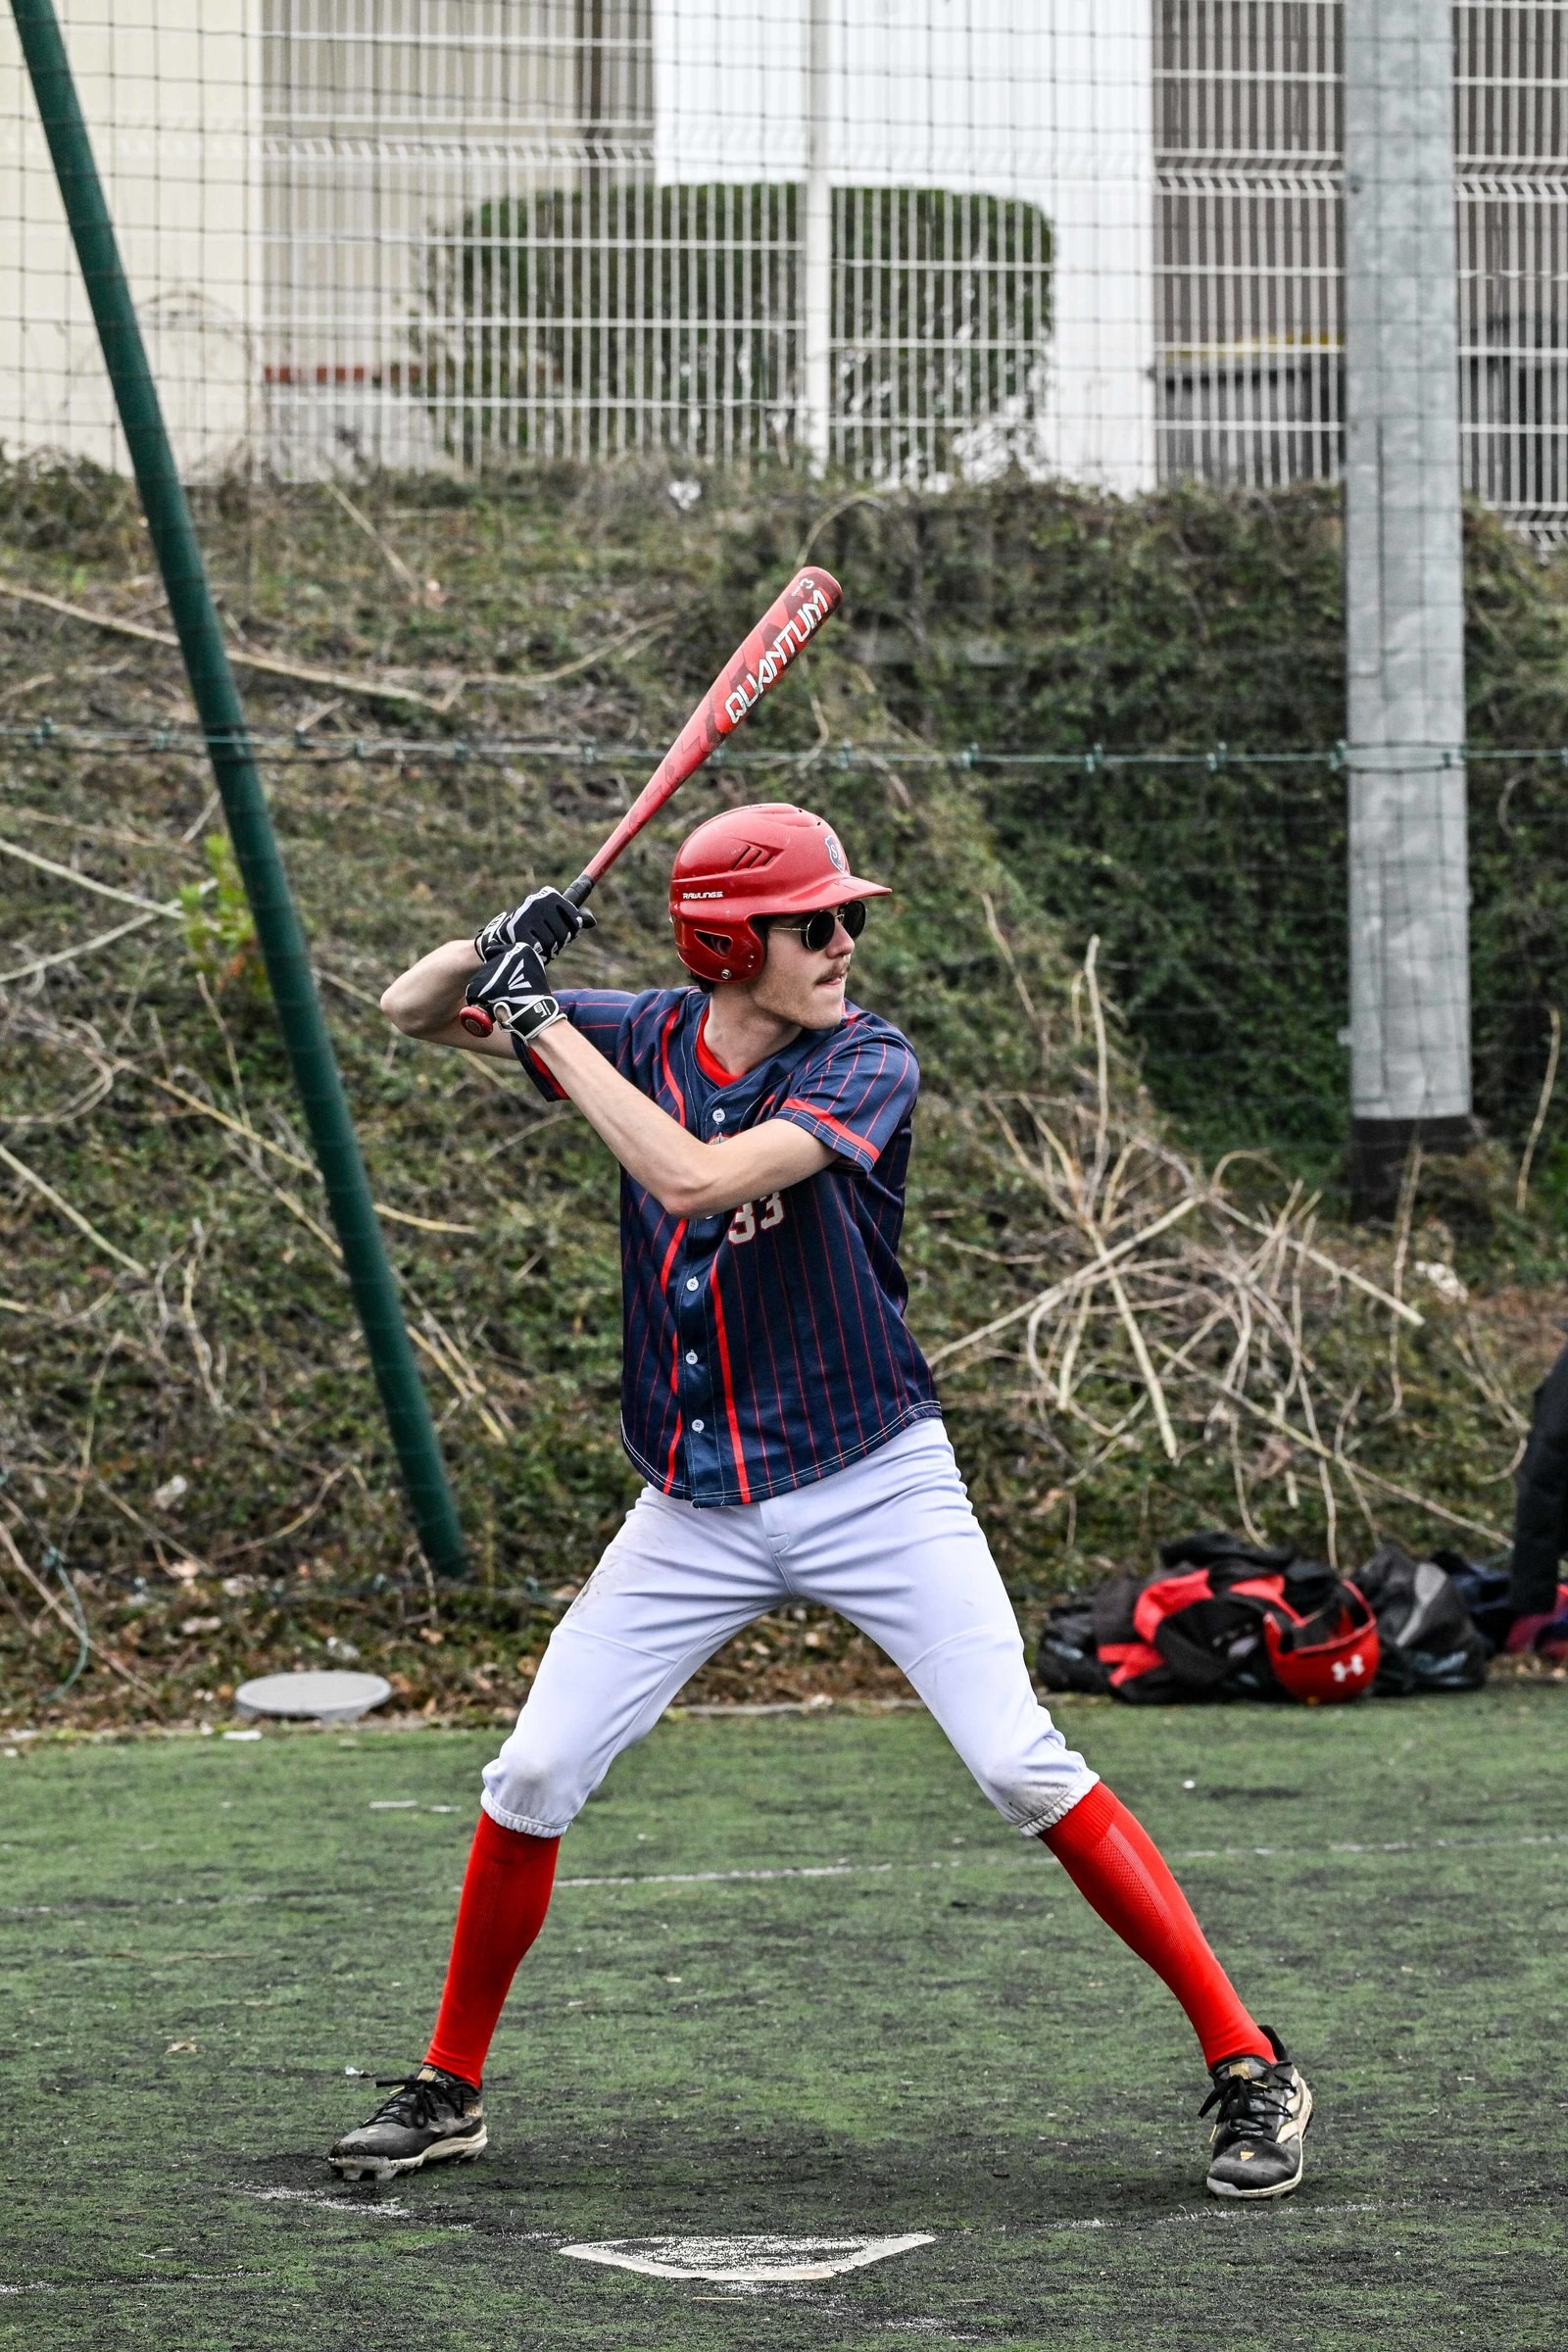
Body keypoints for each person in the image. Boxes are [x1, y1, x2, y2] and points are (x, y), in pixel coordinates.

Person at [329, 802, 1312, 2200]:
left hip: (873, 1479)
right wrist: (497, 946)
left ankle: (1247, 2064)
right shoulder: (646, 1032)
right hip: (695, 1505)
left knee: (1020, 1763)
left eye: (847, 917)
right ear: (730, 943)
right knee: (533, 1775)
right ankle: (450, 2088)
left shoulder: (866, 1060)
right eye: (814, 923)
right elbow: (406, 1005)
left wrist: (540, 1019)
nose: (845, 941)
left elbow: (693, 1178)